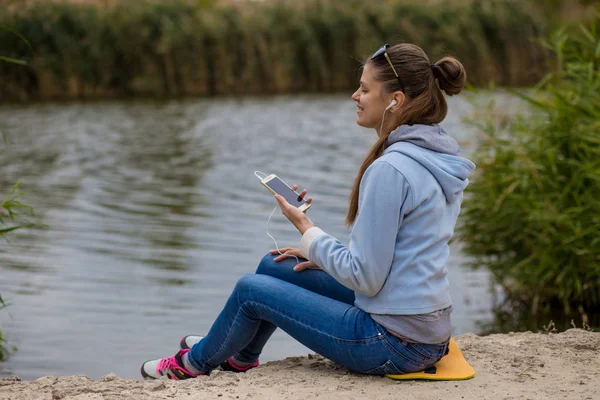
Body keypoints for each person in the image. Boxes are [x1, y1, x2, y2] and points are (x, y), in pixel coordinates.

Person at [141, 42, 475, 380]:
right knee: (273, 266)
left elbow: (366, 278)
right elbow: (396, 258)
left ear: (396, 100)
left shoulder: (392, 169)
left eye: (364, 88)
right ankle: (238, 355)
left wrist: (306, 229)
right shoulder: (436, 157)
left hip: (392, 342)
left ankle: (193, 364)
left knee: (250, 289)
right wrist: (320, 254)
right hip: (422, 329)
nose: (354, 96)